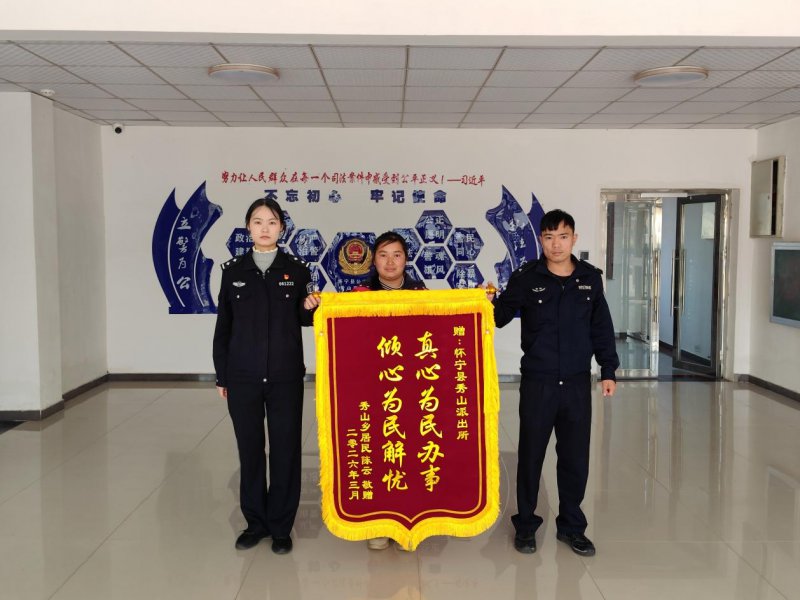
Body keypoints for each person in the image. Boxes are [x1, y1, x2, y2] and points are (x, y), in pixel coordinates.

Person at [490, 209, 619, 557]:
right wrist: (486, 302)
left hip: (576, 383)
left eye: (563, 237)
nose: (556, 244)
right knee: (531, 455)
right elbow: (499, 317)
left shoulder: (590, 279)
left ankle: (572, 527)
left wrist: (608, 369)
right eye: (548, 237)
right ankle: (526, 525)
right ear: (541, 240)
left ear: (574, 239)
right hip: (539, 382)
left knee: (575, 458)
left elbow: (601, 327)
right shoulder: (526, 277)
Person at [305, 231, 425, 550]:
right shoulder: (360, 294)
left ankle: (409, 522)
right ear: (374, 260)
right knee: (380, 455)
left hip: (411, 389)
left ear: (406, 259)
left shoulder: (421, 293)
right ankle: (379, 524)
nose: (390, 262)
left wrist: (479, 302)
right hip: (375, 390)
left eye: (397, 255)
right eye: (383, 255)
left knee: (411, 453)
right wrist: (317, 305)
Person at [213, 197, 318, 554]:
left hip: (285, 376)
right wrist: (222, 376)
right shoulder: (233, 271)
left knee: (286, 450)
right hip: (242, 376)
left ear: (282, 228)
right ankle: (255, 523)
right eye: (257, 222)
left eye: (272, 222)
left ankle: (281, 527)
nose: (264, 228)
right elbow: (223, 328)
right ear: (248, 228)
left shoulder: (297, 270)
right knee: (250, 450)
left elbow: (304, 319)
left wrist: (310, 307)